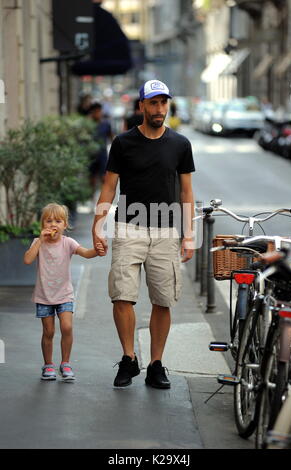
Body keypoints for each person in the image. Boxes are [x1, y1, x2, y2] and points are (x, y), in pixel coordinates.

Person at [92, 79, 195, 390]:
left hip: (166, 229)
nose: (159, 108)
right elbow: (109, 186)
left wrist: (189, 235)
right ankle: (128, 358)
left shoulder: (180, 144)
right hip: (128, 227)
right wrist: (98, 226)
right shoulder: (123, 143)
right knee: (122, 295)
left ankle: (155, 364)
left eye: (163, 103)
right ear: (141, 107)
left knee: (163, 300)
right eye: (153, 103)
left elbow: (187, 193)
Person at [24, 203, 101, 381]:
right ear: (42, 224)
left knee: (67, 327)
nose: (53, 224)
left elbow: (86, 253)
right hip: (44, 296)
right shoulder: (38, 242)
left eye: (58, 221)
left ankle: (65, 363)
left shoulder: (68, 243)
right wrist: (40, 240)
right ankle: (48, 365)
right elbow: (27, 260)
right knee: (48, 332)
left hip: (64, 294)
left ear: (65, 225)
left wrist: (97, 251)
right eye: (48, 221)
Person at [88, 102, 114, 191]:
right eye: (95, 112)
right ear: (92, 112)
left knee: (104, 178)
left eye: (99, 111)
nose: (98, 114)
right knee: (91, 179)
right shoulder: (87, 125)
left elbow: (111, 137)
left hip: (102, 155)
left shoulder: (106, 124)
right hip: (90, 155)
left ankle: (103, 198)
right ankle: (92, 198)